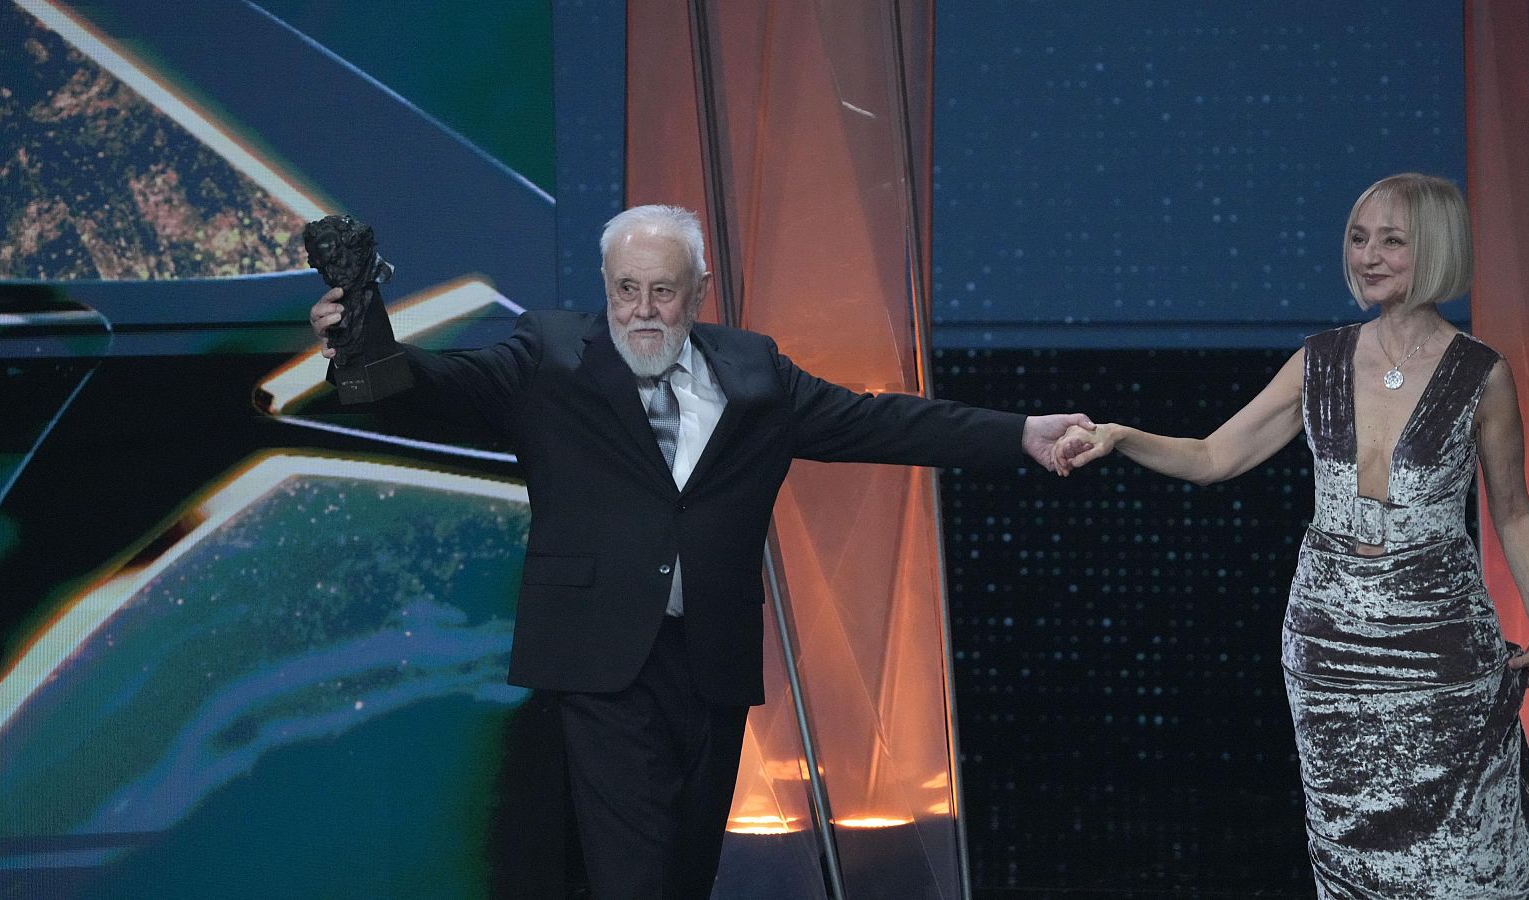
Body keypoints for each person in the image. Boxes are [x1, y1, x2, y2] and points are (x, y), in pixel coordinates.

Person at [308, 204, 1088, 899]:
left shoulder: (753, 370)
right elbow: (432, 385)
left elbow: (877, 423)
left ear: (699, 291)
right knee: (633, 868)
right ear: (606, 285)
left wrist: (1018, 433)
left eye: (663, 291)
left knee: (684, 869)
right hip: (599, 659)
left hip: (710, 658)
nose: (643, 311)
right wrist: (358, 339)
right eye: (626, 289)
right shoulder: (547, 353)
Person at [1051, 173, 1529, 897]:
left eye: (1392, 239)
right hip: (1329, 647)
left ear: (1438, 248)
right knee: (1351, 851)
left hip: (1441, 648)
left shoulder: (1482, 374)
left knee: (1466, 855)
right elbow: (1214, 456)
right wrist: (1122, 436)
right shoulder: (1319, 360)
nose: (1369, 255)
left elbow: (1510, 509)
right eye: (1358, 238)